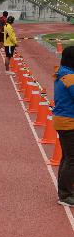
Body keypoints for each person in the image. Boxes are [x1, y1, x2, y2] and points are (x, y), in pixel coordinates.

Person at [52, 46, 74, 207]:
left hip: (63, 119)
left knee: (67, 157)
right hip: (68, 121)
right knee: (71, 159)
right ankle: (65, 194)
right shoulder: (70, 77)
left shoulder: (63, 73)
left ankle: (65, 190)